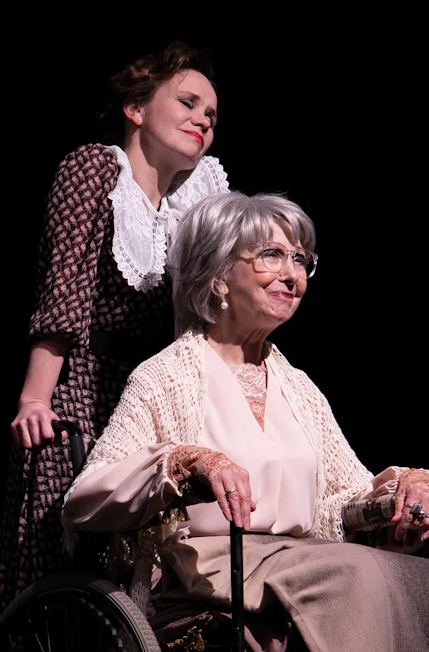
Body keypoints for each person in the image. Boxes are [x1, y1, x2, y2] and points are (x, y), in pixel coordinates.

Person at [61, 190, 429, 651]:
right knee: (357, 574)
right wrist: (185, 462)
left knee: (420, 576)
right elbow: (85, 497)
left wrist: (404, 495)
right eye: (272, 255)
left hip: (302, 566)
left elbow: (342, 499)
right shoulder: (165, 377)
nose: (292, 275)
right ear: (219, 275)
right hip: (209, 572)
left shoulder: (299, 388)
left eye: (300, 260)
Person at [0, 39, 230, 612]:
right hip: (81, 389)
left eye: (211, 114)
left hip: (151, 395)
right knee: (67, 568)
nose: (203, 119)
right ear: (135, 108)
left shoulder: (194, 203)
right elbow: (65, 293)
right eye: (187, 102)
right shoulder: (94, 172)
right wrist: (36, 398)